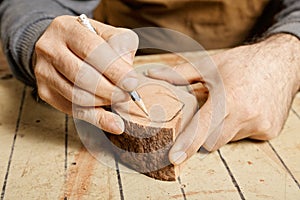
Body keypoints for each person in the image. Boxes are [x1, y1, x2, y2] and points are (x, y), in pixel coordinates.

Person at [0, 0, 299, 166]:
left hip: (252, 57)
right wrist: (37, 35)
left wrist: (286, 53)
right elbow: (31, 3)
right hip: (113, 58)